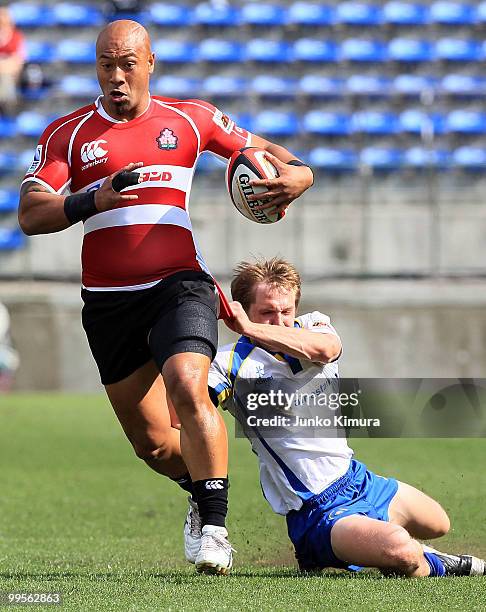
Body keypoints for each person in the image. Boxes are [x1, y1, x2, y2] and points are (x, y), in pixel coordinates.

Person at [17, 21, 314, 575]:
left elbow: (264, 149)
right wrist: (92, 200)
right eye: (106, 63)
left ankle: (217, 532)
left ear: (151, 62)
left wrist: (303, 173)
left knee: (187, 385)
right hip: (108, 302)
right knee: (154, 444)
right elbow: (31, 213)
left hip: (180, 284)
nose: (116, 75)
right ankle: (199, 489)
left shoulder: (191, 119)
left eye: (128, 62)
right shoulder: (69, 134)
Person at [208, 257, 486, 577]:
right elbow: (189, 410)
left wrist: (251, 327)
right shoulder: (230, 362)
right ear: (241, 310)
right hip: (315, 511)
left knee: (438, 522)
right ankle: (431, 560)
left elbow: (325, 350)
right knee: (404, 553)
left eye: (286, 311)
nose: (279, 320)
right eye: (267, 312)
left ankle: (379, 541)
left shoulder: (314, 324)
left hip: (356, 479)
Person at [0, 7, 25, 115]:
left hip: (11, 72)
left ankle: (6, 106)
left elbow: (19, 60)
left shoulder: (16, 36)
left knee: (5, 76)